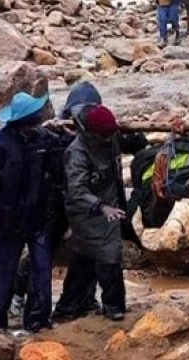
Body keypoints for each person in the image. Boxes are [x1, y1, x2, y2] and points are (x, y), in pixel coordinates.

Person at [0, 92, 72, 335]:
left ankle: (38, 320)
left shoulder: (46, 141)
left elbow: (61, 168)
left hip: (39, 217)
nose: (35, 124)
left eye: (37, 120)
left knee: (42, 270)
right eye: (31, 121)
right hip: (6, 220)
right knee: (4, 271)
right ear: (18, 122)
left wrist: (67, 132)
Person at [54, 105, 131, 322]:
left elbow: (137, 144)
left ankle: (72, 305)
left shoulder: (111, 138)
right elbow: (77, 190)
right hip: (86, 211)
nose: (108, 139)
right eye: (104, 135)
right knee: (106, 256)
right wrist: (101, 207)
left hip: (110, 204)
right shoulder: (76, 153)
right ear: (91, 132)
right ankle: (113, 306)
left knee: (87, 258)